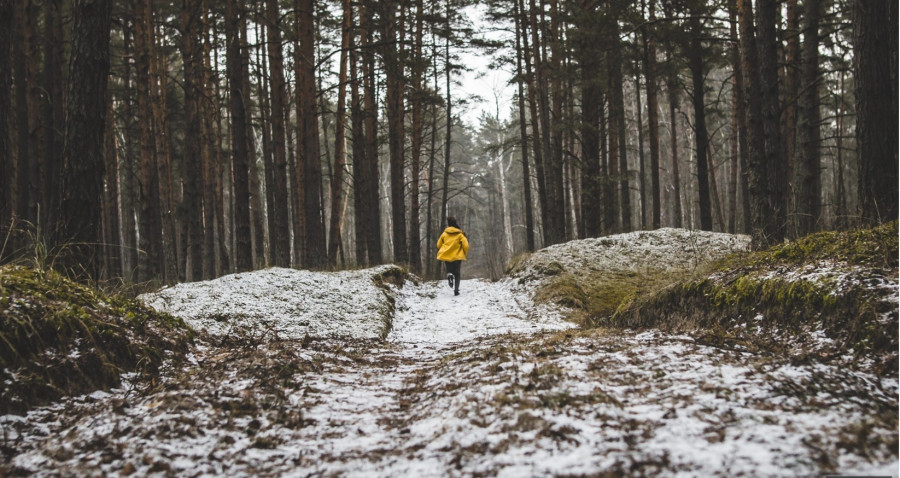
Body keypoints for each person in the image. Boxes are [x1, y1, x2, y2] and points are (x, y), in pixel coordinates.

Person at [436, 216, 469, 296]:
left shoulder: (444, 234)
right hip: (457, 257)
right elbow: (466, 245)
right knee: (457, 273)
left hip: (447, 256)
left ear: (448, 224)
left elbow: (438, 244)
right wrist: (464, 252)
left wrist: (445, 248)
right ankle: (456, 290)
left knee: (449, 270)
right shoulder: (460, 234)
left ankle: (449, 275)